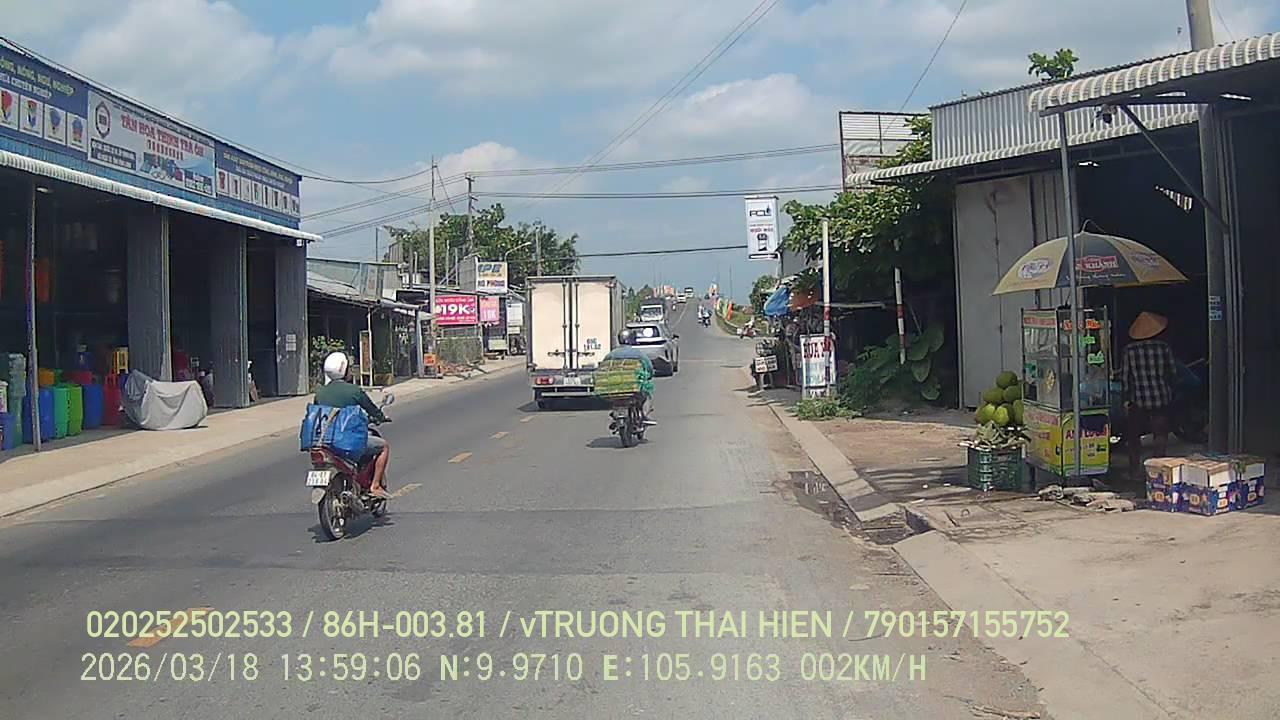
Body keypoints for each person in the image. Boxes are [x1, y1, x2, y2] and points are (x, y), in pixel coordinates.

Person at [315, 352, 391, 498]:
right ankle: (375, 485)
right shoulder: (354, 391)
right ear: (343, 371)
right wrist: (381, 417)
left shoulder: (320, 393)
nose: (350, 371)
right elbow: (371, 409)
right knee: (384, 447)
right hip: (347, 441)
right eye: (349, 368)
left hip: (325, 441)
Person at [1122, 311, 1177, 480]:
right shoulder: (1163, 348)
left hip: (1138, 400)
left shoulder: (1129, 350)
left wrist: (1126, 400)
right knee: (1160, 435)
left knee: (1134, 437)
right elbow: (1172, 373)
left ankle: (1134, 471)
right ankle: (1158, 473)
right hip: (1161, 397)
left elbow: (1126, 378)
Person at [602, 330, 657, 425]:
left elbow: (604, 368)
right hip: (633, 388)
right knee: (646, 395)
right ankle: (644, 415)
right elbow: (649, 366)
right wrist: (650, 374)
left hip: (615, 387)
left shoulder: (611, 354)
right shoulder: (638, 354)